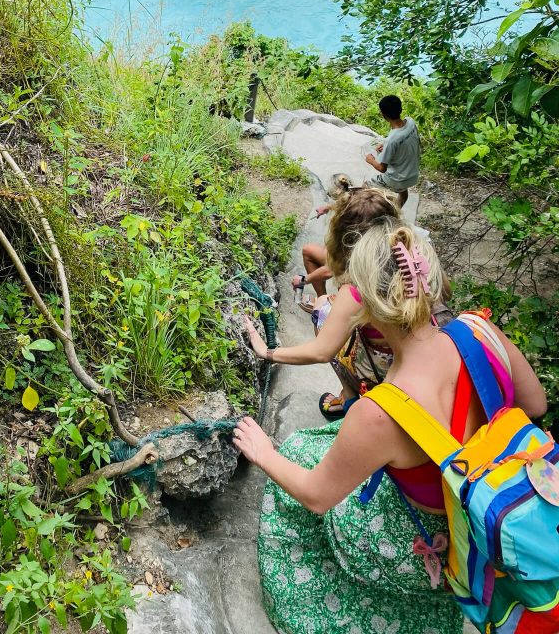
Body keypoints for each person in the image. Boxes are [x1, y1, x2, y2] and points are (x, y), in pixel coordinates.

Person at [234, 221, 547, 634]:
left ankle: (341, 606)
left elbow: (316, 497)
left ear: (365, 306)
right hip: (495, 511)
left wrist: (263, 453)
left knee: (297, 455)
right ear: (432, 281)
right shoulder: (479, 329)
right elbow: (535, 404)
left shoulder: (381, 412)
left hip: (430, 544)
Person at [247, 188, 406, 419]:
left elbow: (321, 352)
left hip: (385, 368)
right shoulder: (412, 257)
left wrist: (267, 352)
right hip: (412, 360)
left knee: (322, 310)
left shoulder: (357, 289)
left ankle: (350, 396)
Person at [365, 94, 421, 207]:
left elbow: (382, 168)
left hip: (397, 179)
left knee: (366, 186)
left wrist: (370, 160)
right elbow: (409, 141)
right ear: (400, 109)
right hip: (412, 175)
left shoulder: (392, 140)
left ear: (383, 115)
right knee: (402, 191)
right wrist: (386, 146)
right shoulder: (411, 122)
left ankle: (370, 211)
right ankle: (398, 210)